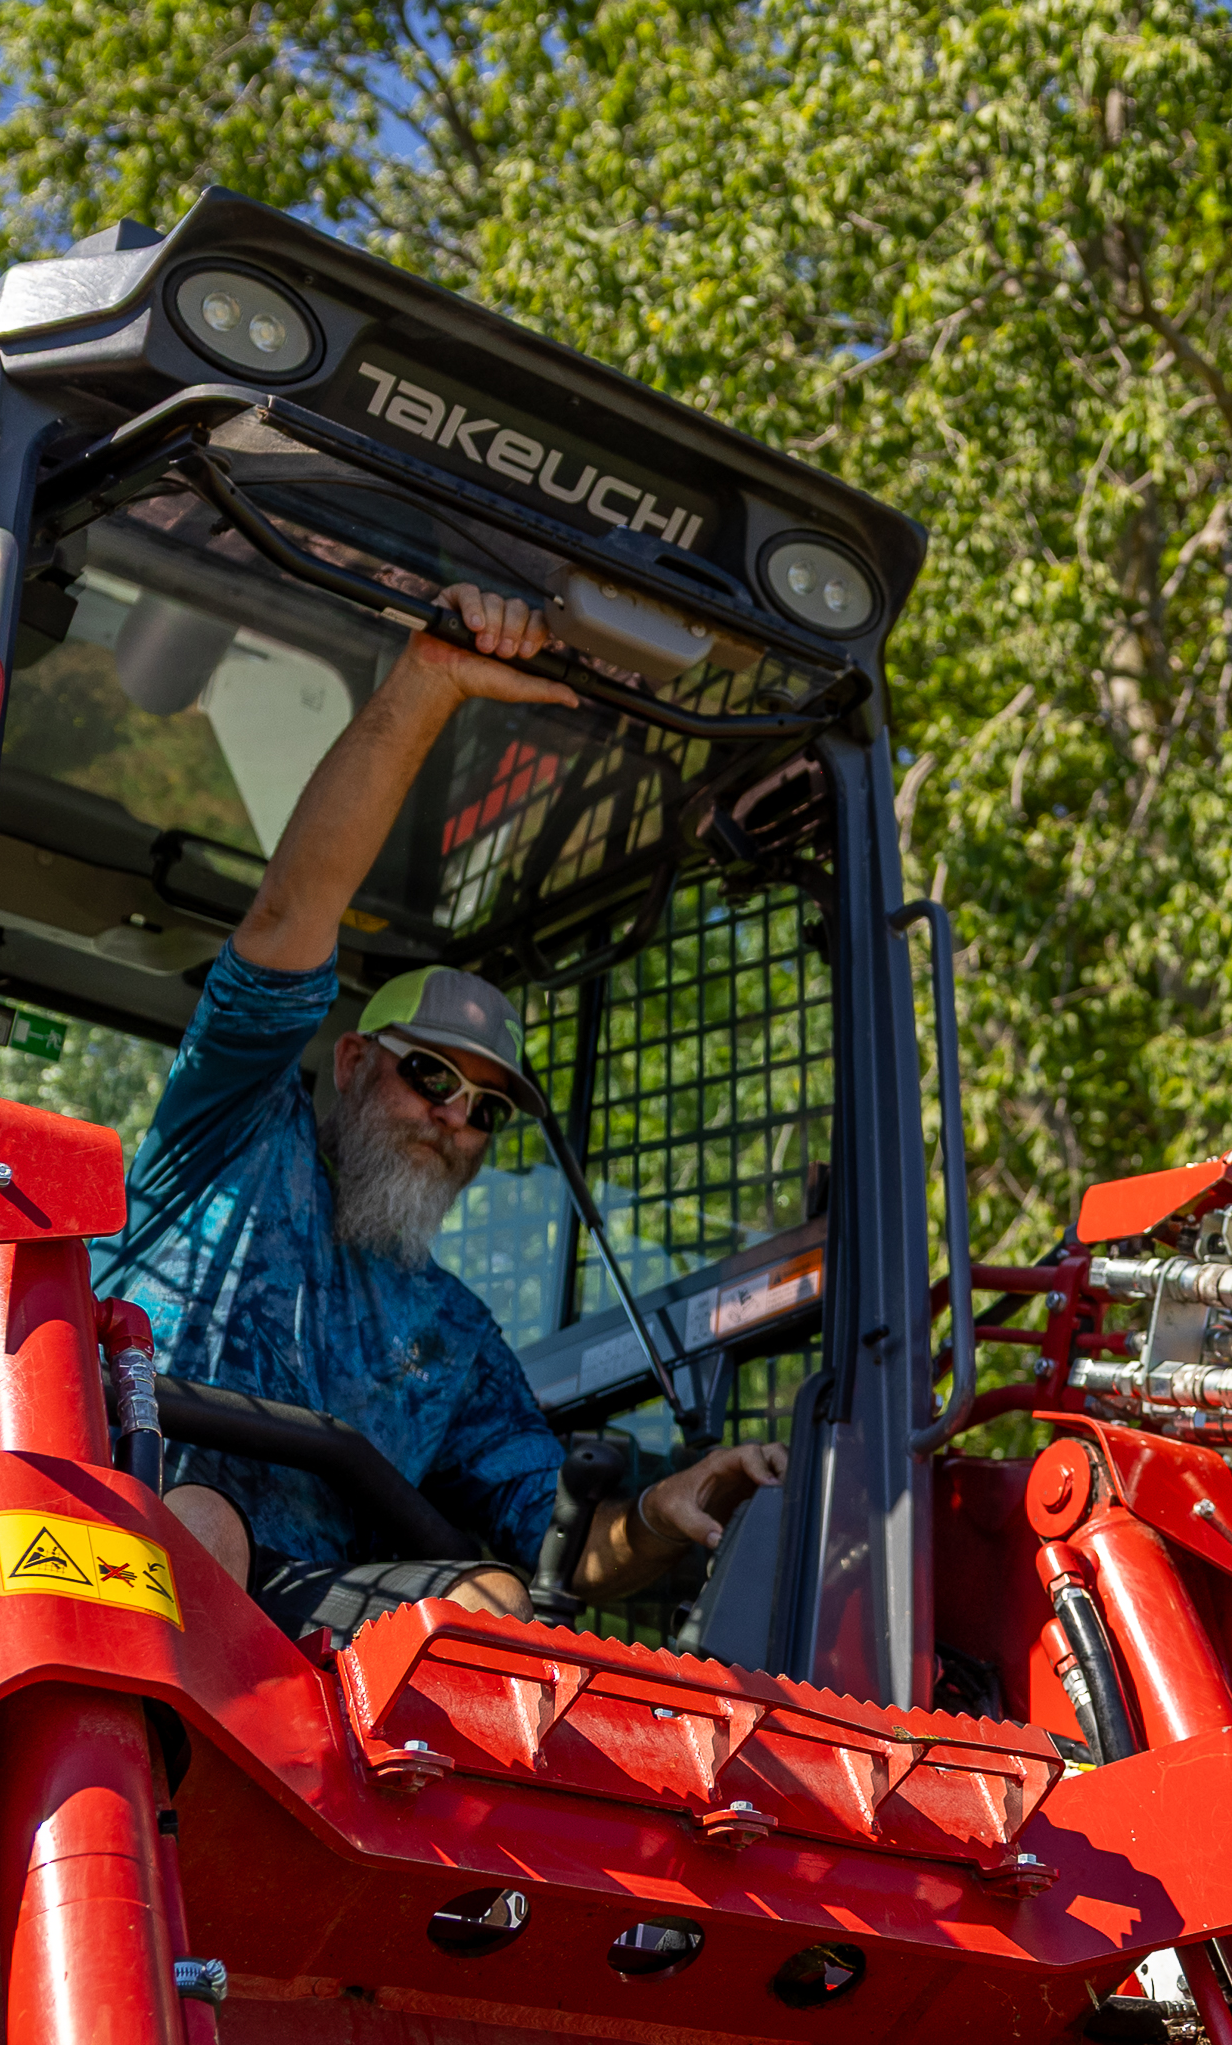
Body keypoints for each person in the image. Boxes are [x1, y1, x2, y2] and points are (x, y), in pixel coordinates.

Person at [102, 583, 783, 1639]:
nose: (453, 1120)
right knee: (200, 1523)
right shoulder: (228, 1138)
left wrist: (660, 1507)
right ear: (354, 1059)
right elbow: (292, 910)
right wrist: (429, 679)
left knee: (494, 1608)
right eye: (431, 1077)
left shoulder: (449, 1336)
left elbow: (555, 1528)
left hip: (291, 1636)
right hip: (86, 1547)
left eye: (486, 1110)